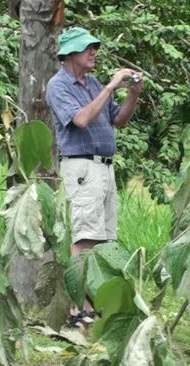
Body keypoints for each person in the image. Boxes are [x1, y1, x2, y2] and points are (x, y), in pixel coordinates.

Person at [45, 27, 143, 323]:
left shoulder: (92, 83)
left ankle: (93, 306)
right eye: (87, 48)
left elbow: (119, 120)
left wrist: (133, 95)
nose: (93, 52)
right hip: (81, 167)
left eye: (94, 47)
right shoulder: (58, 85)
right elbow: (82, 119)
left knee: (103, 240)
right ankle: (78, 309)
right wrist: (111, 87)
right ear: (70, 53)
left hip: (104, 167)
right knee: (84, 238)